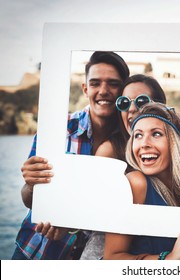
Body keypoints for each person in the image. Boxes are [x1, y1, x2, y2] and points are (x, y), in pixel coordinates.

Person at [12, 51, 130, 260]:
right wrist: (31, 184)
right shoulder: (57, 128)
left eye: (113, 84)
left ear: (124, 91)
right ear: (85, 89)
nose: (103, 91)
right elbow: (28, 199)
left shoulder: (134, 141)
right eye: (95, 83)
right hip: (37, 251)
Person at [104, 102, 180, 260]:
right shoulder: (136, 183)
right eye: (138, 135)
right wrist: (168, 259)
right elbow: (111, 258)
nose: (144, 143)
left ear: (173, 142)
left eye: (156, 134)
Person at [80, 74, 167, 260]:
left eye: (142, 102)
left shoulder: (169, 151)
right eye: (124, 103)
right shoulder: (109, 151)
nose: (132, 109)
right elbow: (91, 209)